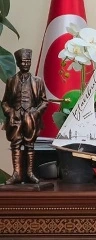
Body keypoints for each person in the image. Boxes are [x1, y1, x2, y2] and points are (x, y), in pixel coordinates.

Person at [1, 49, 48, 184]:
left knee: (30, 144)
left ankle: (29, 173)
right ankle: (16, 173)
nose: (26, 64)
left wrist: (36, 112)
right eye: (23, 62)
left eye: (28, 61)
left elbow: (44, 102)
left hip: (30, 117)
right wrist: (10, 112)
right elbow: (5, 102)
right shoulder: (11, 81)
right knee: (15, 144)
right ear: (17, 63)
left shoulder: (37, 81)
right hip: (15, 117)